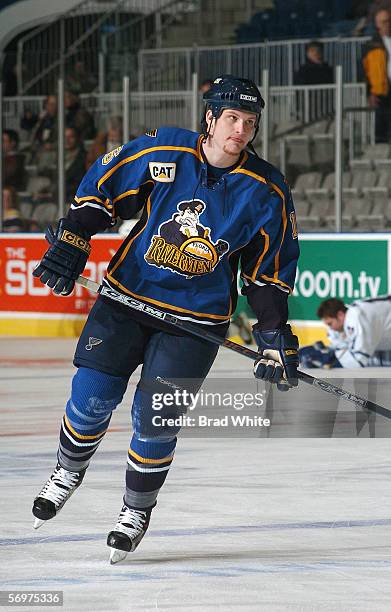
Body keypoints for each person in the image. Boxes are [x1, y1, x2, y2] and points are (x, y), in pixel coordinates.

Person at [31, 75, 300, 564]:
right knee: (91, 397)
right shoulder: (164, 150)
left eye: (250, 123)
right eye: (232, 119)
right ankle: (68, 469)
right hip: (127, 299)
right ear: (211, 119)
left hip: (195, 322)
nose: (240, 130)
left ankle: (136, 510)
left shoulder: (267, 191)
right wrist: (74, 236)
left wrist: (272, 333)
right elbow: (101, 187)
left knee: (155, 420)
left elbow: (267, 273)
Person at [299, 297, 391, 368]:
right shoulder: (349, 318)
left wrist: (329, 361)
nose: (330, 328)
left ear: (340, 315)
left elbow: (358, 359)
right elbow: (340, 346)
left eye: (330, 323)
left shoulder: (356, 317)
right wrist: (328, 352)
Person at [362, 8, 391, 142]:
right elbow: (364, 73)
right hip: (381, 93)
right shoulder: (370, 46)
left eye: (388, 21)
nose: (387, 24)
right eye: (383, 22)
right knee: (382, 131)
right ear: (377, 25)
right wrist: (369, 93)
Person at [294, 41, 334, 121]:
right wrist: (299, 106)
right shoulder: (304, 69)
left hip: (325, 105)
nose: (316, 53)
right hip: (310, 106)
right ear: (307, 53)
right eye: (312, 50)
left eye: (318, 50)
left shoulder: (327, 69)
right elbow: (299, 89)